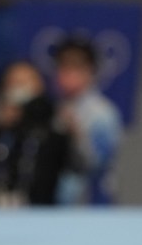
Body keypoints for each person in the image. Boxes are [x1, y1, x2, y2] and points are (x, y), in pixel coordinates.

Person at [0, 60, 69, 206]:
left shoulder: (53, 131)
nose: (19, 88)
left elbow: (71, 164)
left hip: (39, 213)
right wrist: (2, 125)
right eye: (14, 82)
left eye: (25, 82)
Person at [53, 36, 123, 205]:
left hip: (91, 204)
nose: (68, 72)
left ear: (91, 69)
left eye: (76, 66)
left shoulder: (103, 113)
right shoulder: (56, 108)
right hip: (58, 204)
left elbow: (99, 162)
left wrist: (76, 134)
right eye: (63, 65)